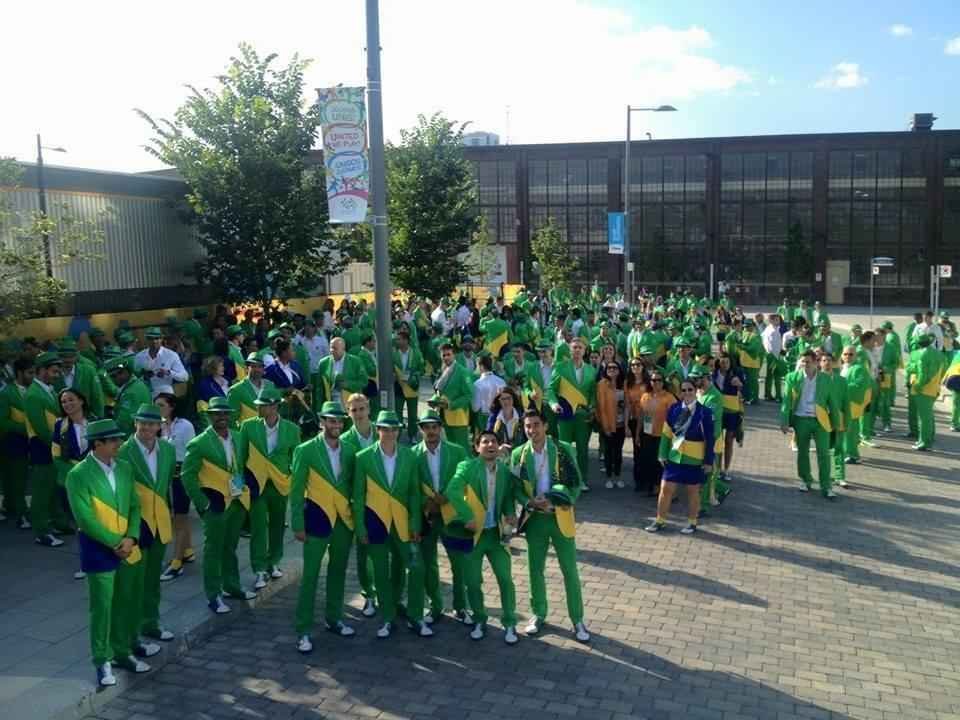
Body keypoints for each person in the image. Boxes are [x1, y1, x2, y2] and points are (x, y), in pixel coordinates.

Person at [65, 418, 145, 687]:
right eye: (113, 441)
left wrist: (131, 537)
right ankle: (102, 660)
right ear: (97, 444)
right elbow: (85, 519)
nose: (118, 444)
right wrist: (116, 542)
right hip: (99, 550)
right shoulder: (77, 475)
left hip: (127, 546)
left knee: (125, 602)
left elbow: (135, 505)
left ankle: (122, 652)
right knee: (102, 608)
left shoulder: (124, 468)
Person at [510, 409, 590, 643]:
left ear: (545, 426)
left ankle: (577, 619)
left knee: (570, 571)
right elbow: (515, 488)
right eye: (527, 426)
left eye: (536, 425)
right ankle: (539, 614)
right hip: (535, 520)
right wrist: (528, 502)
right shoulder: (518, 455)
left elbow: (576, 482)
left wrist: (562, 503)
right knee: (535, 569)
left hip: (560, 517)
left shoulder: (563, 449)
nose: (532, 430)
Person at [352, 410, 429, 638]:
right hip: (375, 521)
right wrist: (360, 527)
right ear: (378, 430)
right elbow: (358, 496)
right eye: (386, 428)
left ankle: (415, 616)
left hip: (404, 522)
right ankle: (387, 617)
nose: (390, 433)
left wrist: (416, 524)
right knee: (380, 572)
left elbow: (415, 494)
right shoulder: (363, 457)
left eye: (394, 428)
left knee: (416, 567)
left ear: (399, 431)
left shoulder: (410, 456)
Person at [290, 401, 358, 653]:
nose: (336, 425)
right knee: (310, 576)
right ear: (322, 422)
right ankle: (303, 630)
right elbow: (296, 490)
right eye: (331, 420)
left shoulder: (350, 450)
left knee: (338, 571)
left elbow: (353, 487)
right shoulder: (305, 450)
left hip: (343, 520)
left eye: (339, 421)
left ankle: (334, 618)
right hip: (316, 518)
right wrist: (297, 523)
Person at [180, 396, 257, 614]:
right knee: (213, 550)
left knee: (230, 547)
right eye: (216, 414)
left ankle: (232, 586)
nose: (221, 417)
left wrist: (242, 493)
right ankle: (213, 595)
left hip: (237, 501)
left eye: (224, 413)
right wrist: (203, 504)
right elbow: (187, 476)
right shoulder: (199, 443)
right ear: (209, 416)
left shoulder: (239, 437)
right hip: (215, 505)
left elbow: (239, 467)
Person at [446, 430, 518, 644]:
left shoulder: (504, 471)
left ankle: (510, 622)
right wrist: (467, 515)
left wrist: (510, 514)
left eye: (494, 441)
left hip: (495, 535)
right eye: (484, 442)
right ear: (477, 447)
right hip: (474, 535)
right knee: (473, 581)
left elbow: (505, 498)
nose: (490, 445)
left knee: (505, 579)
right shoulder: (467, 467)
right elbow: (452, 491)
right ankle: (479, 619)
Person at [117, 404, 176, 649]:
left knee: (153, 579)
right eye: (143, 423)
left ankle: (151, 622)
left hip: (160, 522)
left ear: (160, 426)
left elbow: (167, 485)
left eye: (152, 424)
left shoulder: (169, 450)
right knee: (134, 582)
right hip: (135, 525)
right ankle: (132, 633)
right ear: (135, 424)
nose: (148, 428)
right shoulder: (123, 451)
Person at [412, 409, 470, 625]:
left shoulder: (457, 452)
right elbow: (410, 487)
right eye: (426, 427)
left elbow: (467, 481)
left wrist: (449, 500)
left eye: (435, 427)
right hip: (427, 516)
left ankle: (461, 607)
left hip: (452, 516)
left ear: (441, 428)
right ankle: (435, 606)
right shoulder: (412, 454)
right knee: (429, 564)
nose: (431, 431)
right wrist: (425, 504)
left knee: (458, 564)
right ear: (421, 430)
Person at [240, 386, 300, 590]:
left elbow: (296, 458)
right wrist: (239, 486)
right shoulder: (248, 427)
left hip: (280, 483)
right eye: (258, 405)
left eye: (263, 405)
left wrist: (291, 477)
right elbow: (240, 458)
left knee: (277, 524)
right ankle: (259, 569)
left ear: (274, 406)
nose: (258, 408)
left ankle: (273, 561)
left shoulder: (292, 429)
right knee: (258, 527)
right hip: (256, 484)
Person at [644, 379, 715, 534]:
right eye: (683, 390)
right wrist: (662, 453)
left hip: (694, 459)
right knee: (665, 489)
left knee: (692, 492)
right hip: (675, 456)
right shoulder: (674, 409)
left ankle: (692, 522)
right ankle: (660, 520)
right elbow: (666, 433)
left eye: (690, 389)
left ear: (696, 391)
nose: (687, 393)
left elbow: (710, 439)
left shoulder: (705, 412)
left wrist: (709, 461)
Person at [26, 351, 72, 546]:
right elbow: (40, 428)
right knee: (41, 491)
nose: (56, 375)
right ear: (42, 371)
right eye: (53, 371)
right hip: (42, 446)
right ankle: (41, 531)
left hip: (52, 445)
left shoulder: (48, 390)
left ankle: (58, 523)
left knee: (53, 487)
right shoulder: (34, 395)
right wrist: (58, 446)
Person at [780, 350, 839, 498]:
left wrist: (836, 423)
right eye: (803, 361)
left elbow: (832, 402)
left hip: (821, 420)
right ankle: (805, 480)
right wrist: (784, 421)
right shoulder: (792, 377)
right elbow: (786, 401)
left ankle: (826, 486)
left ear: (816, 362)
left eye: (808, 361)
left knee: (824, 454)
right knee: (803, 452)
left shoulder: (826, 379)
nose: (805, 364)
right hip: (801, 419)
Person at [340, 392, 378, 617]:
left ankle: (389, 593)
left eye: (362, 409)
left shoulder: (383, 432)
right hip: (361, 503)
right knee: (364, 553)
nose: (359, 414)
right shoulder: (345, 441)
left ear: (369, 409)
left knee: (386, 551)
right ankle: (369, 595)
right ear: (348, 412)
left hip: (386, 501)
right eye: (354, 410)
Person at [156, 393, 197, 581]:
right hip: (164, 474)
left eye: (160, 405)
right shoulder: (157, 426)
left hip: (181, 473)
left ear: (171, 406)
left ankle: (176, 562)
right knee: (177, 517)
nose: (157, 409)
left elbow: (192, 451)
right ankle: (187, 550)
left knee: (179, 517)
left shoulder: (185, 426)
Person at [52, 388, 93, 571]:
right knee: (81, 523)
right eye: (64, 402)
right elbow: (56, 456)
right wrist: (76, 472)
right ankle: (88, 562)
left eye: (71, 400)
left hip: (96, 480)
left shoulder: (95, 422)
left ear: (81, 401)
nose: (67, 404)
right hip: (72, 480)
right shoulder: (60, 425)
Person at [547, 336, 597, 487]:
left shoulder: (591, 370)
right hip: (565, 414)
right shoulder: (561, 367)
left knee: (582, 450)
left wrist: (593, 408)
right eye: (574, 347)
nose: (577, 350)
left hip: (583, 416)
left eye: (580, 347)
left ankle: (582, 480)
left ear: (585, 350)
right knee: (564, 449)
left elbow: (593, 393)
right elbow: (550, 389)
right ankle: (565, 480)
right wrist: (554, 404)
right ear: (569, 350)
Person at [0, 355, 33, 529]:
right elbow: (2, 421)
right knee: (17, 479)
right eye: (30, 373)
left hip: (31, 441)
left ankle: (11, 506)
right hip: (13, 442)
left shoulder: (35, 389)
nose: (33, 376)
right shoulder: (6, 393)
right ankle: (21, 514)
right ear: (19, 373)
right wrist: (26, 428)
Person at [905, 334, 945, 452]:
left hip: (923, 390)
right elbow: (944, 369)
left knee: (923, 417)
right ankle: (929, 437)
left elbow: (922, 374)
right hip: (934, 387)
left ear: (919, 343)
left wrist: (917, 386)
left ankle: (923, 442)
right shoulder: (939, 354)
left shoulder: (922, 354)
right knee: (929, 415)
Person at [433, 343, 474, 453]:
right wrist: (434, 401)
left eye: (448, 354)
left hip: (458, 416)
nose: (446, 357)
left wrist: (451, 404)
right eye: (443, 355)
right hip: (444, 415)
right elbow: (439, 391)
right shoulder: (443, 370)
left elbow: (469, 395)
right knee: (450, 447)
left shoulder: (462, 372)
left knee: (462, 448)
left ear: (454, 355)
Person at [712, 353, 745, 483]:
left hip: (732, 411)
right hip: (718, 411)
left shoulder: (736, 374)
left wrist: (740, 385)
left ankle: (726, 470)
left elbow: (745, 392)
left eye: (727, 361)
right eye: (722, 361)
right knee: (718, 441)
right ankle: (718, 469)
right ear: (718, 362)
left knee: (729, 441)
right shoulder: (713, 374)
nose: (725, 364)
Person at [596, 361, 629, 489]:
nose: (612, 369)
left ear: (619, 370)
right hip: (607, 424)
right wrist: (605, 426)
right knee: (609, 452)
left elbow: (627, 406)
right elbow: (601, 407)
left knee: (618, 452)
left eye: (615, 367)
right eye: (609, 367)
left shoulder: (623, 384)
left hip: (620, 424)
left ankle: (618, 476)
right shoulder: (602, 384)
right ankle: (609, 477)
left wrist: (626, 426)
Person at [314, 337, 367, 409]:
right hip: (331, 404)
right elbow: (319, 388)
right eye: (331, 348)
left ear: (343, 349)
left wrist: (347, 384)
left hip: (351, 404)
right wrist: (319, 407)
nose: (332, 350)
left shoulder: (355, 361)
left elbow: (363, 382)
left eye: (335, 348)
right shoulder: (323, 363)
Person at [105, 356, 152, 437]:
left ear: (128, 370)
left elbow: (124, 421)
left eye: (120, 373)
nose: (117, 378)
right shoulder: (134, 385)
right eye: (113, 376)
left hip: (130, 438)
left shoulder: (131, 391)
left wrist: (108, 434)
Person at [134, 326, 188, 397]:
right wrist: (144, 377)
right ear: (146, 339)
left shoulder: (171, 355)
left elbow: (185, 377)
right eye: (150, 339)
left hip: (165, 396)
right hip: (145, 395)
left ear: (162, 339)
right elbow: (134, 378)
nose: (154, 341)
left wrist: (168, 372)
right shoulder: (139, 356)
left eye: (157, 338)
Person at [392, 326, 424, 443]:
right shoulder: (393, 353)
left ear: (406, 340)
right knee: (398, 413)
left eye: (399, 339)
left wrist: (414, 375)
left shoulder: (416, 353)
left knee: (412, 414)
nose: (397, 341)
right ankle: (398, 435)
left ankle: (413, 435)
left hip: (412, 386)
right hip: (398, 386)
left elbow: (422, 369)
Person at [472, 354, 505, 438]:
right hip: (500, 416)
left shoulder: (477, 384)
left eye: (477, 366)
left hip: (484, 418)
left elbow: (475, 407)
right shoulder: (501, 381)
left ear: (481, 366)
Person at [761, 314, 784, 402]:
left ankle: (767, 394)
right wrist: (777, 357)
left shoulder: (768, 328)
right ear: (771, 321)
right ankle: (778, 396)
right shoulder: (773, 331)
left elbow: (762, 338)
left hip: (769, 354)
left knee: (769, 376)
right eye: (777, 320)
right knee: (776, 376)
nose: (779, 321)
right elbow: (773, 345)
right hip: (774, 355)